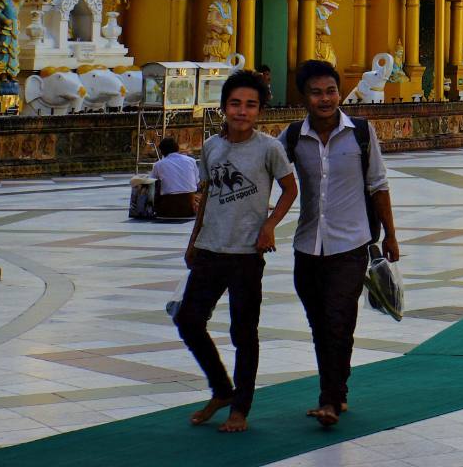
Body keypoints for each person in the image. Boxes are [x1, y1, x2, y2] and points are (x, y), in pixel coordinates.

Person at [176, 69, 296, 433]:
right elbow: (208, 194)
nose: (242, 111)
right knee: (188, 321)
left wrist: (269, 225)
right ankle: (222, 390)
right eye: (235, 104)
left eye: (250, 105)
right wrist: (193, 241)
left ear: (259, 111)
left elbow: (290, 189)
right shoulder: (212, 147)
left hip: (246, 253)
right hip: (211, 248)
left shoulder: (269, 148)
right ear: (224, 106)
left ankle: (240, 408)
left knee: (244, 332)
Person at [285, 59, 399, 428]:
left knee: (339, 320)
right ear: (303, 97)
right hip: (307, 245)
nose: (325, 99)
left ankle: (329, 401)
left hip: (351, 244)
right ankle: (337, 390)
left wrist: (391, 235)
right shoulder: (291, 139)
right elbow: (267, 174)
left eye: (331, 91)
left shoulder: (361, 134)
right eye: (316, 93)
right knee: (320, 324)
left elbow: (378, 185)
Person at [151, 136, 201, 217]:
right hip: (189, 207)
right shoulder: (191, 161)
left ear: (162, 152)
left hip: (167, 208)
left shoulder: (158, 164)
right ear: (177, 148)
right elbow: (197, 182)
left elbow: (152, 184)